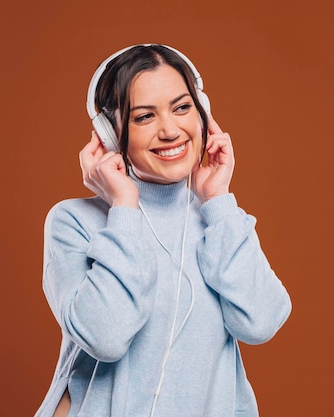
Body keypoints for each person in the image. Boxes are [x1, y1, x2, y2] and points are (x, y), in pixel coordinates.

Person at [35, 44, 291, 417]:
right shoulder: (73, 222)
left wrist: (218, 199)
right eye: (144, 117)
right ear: (109, 133)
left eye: (182, 107)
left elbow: (260, 322)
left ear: (203, 113)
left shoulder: (219, 220)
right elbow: (105, 337)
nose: (170, 130)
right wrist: (123, 205)